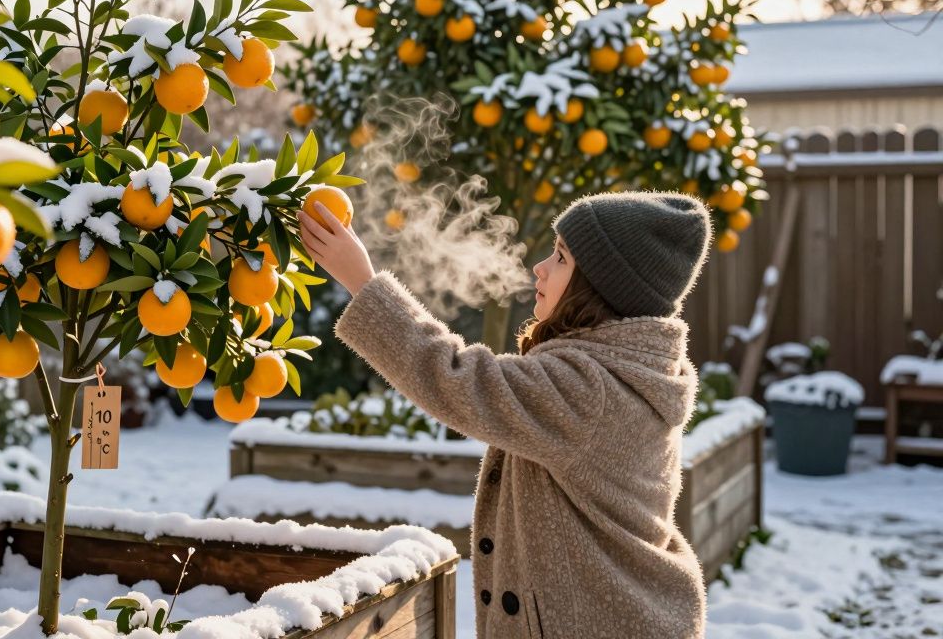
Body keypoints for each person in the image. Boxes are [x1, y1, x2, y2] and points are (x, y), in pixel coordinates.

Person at [298, 191, 712, 639]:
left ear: (599, 287)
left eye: (560, 257)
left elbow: (457, 379)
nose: (540, 267)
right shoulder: (626, 373)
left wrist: (364, 282)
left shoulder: (590, 391)